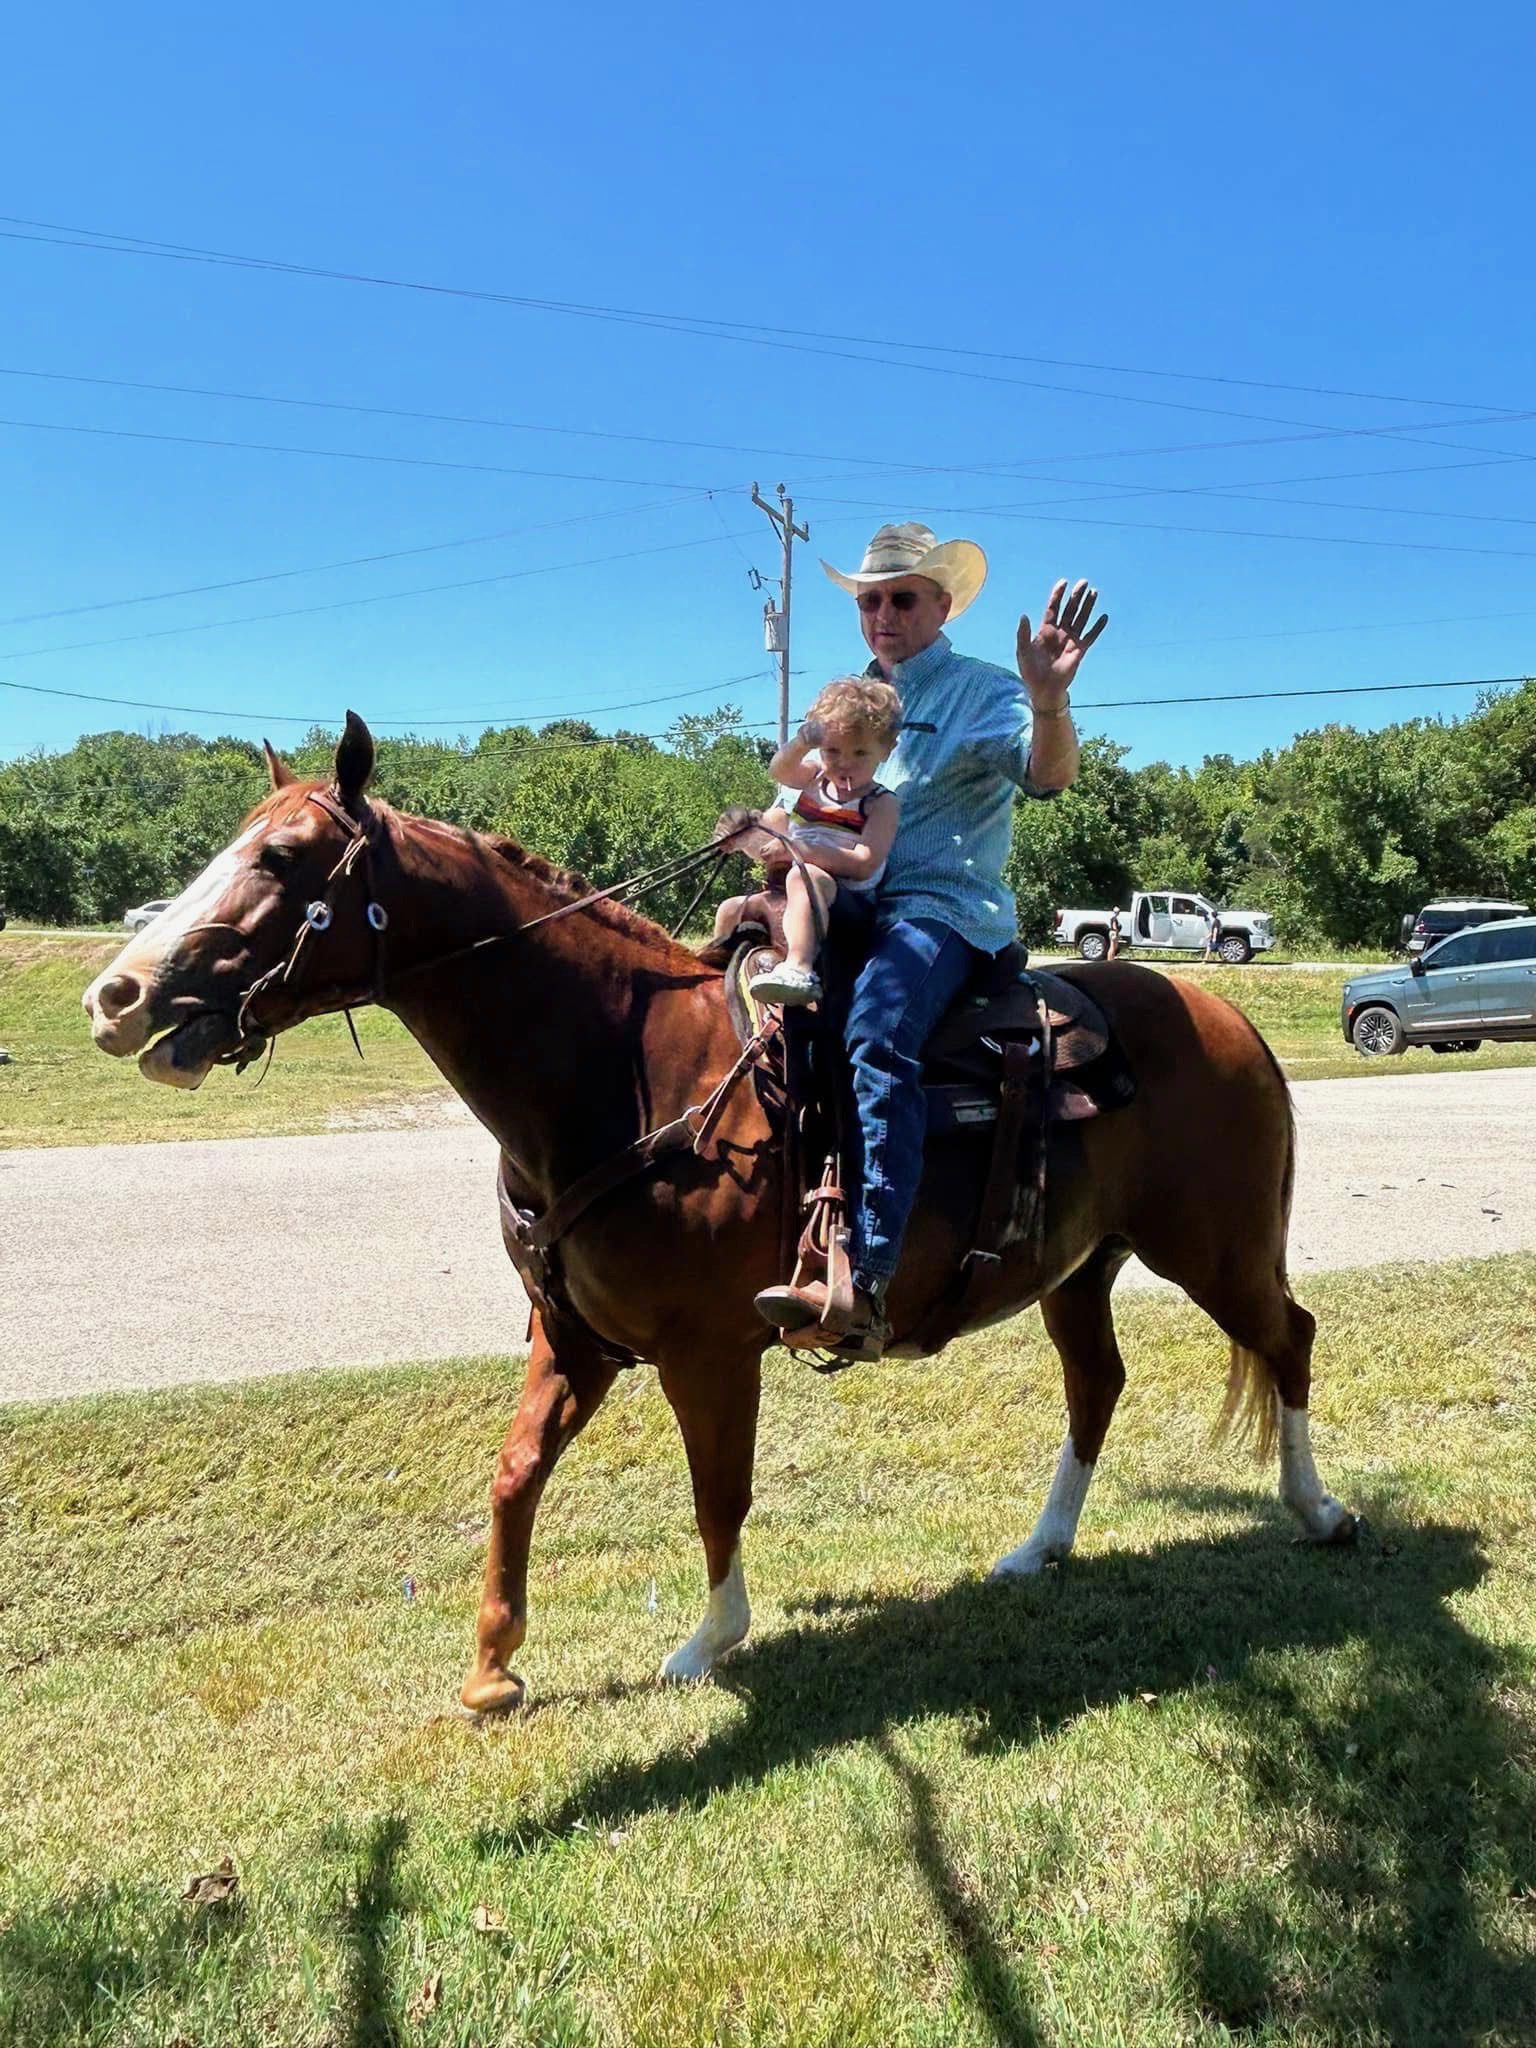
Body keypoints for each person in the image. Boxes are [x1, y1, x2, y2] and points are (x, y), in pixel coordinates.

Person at [752, 520, 1106, 1360]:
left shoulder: (983, 692)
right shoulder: (848, 701)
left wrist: (1050, 700)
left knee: (877, 1029)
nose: (881, 614)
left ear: (942, 605)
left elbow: (1048, 775)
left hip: (938, 912)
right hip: (846, 900)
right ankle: (773, 1217)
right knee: (745, 994)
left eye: (901, 598)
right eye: (870, 600)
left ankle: (869, 1272)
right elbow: (795, 780)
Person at [720, 676, 902, 1007]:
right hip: (799, 878)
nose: (844, 763)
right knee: (731, 908)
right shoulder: (814, 777)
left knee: (803, 877)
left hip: (850, 898)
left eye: (860, 752)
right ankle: (721, 980)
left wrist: (799, 852)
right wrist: (803, 741)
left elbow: (864, 864)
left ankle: (799, 968)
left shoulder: (880, 802)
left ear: (886, 749)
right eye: (833, 751)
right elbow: (779, 770)